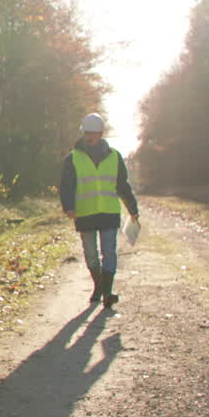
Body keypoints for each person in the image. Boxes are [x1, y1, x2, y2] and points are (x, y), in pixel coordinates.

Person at [59, 113, 139, 308]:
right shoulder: (72, 158)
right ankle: (99, 286)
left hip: (109, 212)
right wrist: (68, 206)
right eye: (86, 132)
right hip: (84, 213)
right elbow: (66, 185)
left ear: (101, 133)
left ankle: (107, 292)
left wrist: (132, 208)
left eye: (93, 133)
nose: (89, 136)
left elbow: (122, 185)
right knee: (90, 254)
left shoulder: (115, 157)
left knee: (109, 252)